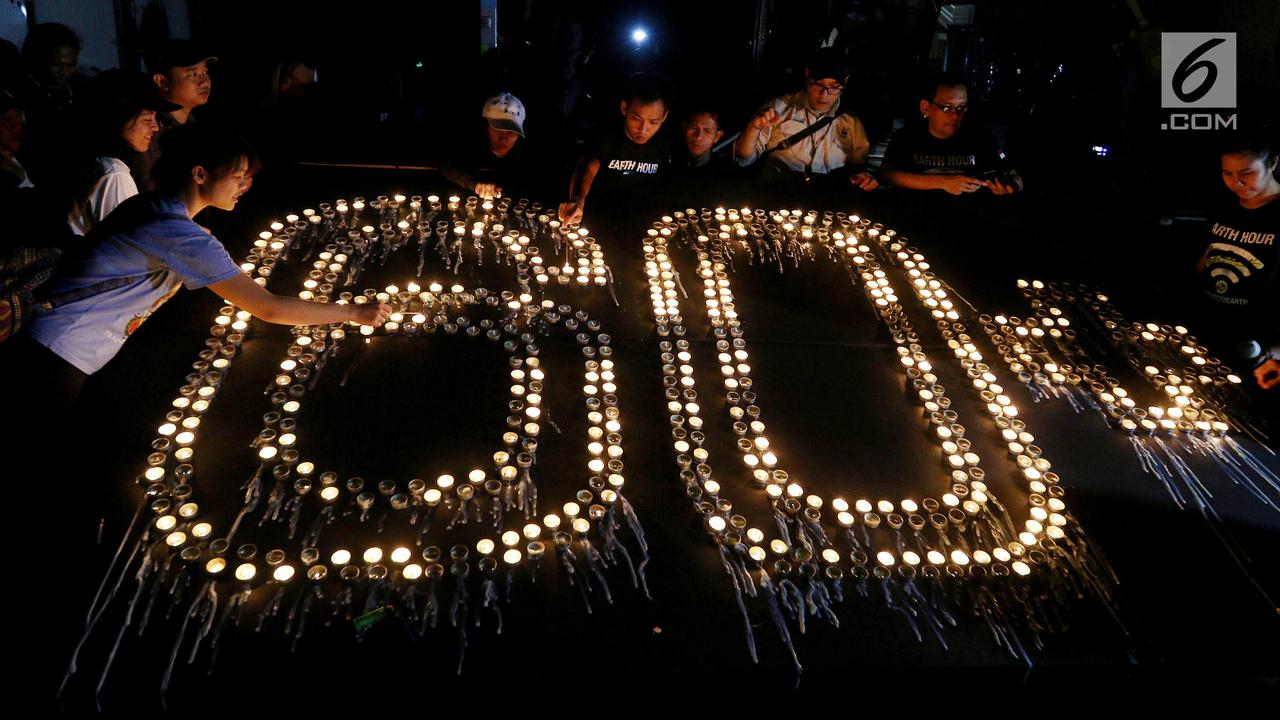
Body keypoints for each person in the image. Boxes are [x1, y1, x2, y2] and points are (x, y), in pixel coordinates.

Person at [17, 123, 390, 403]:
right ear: (199, 174)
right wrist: (352, 312)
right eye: (238, 177)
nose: (244, 187)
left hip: (50, 342)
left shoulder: (151, 208)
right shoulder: (178, 234)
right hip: (55, 353)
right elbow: (269, 308)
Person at [1194, 134, 1279, 391]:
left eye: (1246, 173)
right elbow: (1206, 260)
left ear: (1273, 163)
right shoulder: (1223, 207)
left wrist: (1275, 351)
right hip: (1207, 332)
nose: (1236, 183)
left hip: (1259, 350)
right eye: (1227, 174)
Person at [734, 49, 876, 193]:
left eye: (834, 87)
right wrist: (754, 127)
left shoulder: (851, 122)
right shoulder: (779, 109)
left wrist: (864, 178)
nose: (824, 94)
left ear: (845, 81)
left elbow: (859, 168)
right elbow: (743, 159)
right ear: (807, 75)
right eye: (818, 84)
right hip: (778, 194)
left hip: (827, 198)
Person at [66, 70, 178, 236]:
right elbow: (125, 244)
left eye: (155, 118)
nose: (155, 127)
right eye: (147, 119)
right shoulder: (115, 176)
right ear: (118, 119)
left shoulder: (96, 163)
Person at [558, 72, 673, 226]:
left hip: (643, 222)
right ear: (624, 108)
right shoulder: (605, 135)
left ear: (664, 117)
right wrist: (578, 198)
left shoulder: (666, 142)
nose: (643, 129)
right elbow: (587, 167)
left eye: (653, 122)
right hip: (599, 218)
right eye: (636, 118)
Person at [881, 73, 1021, 195]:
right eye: (947, 108)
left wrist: (1011, 185)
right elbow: (886, 175)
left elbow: (1014, 175)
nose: (955, 116)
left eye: (961, 107)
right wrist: (943, 182)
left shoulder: (980, 136)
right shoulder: (907, 137)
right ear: (926, 108)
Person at [134, 39, 215, 191]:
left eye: (205, 72)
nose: (204, 82)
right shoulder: (149, 130)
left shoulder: (198, 126)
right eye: (193, 74)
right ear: (162, 81)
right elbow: (150, 189)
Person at [14, 23, 80, 187]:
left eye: (71, 65)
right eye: (57, 65)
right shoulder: (20, 97)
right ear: (36, 60)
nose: (65, 72)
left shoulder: (78, 89)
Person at [438, 92, 535, 200]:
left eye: (511, 131)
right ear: (486, 126)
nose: (504, 138)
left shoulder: (526, 154)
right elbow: (444, 163)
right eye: (498, 129)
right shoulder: (468, 146)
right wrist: (475, 184)